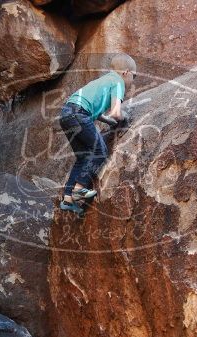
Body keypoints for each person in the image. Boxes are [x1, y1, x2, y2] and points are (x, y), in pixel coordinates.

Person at [58, 53, 137, 216]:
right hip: (79, 114)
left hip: (66, 114)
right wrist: (124, 117)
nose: (132, 82)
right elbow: (116, 112)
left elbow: (95, 109)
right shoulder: (118, 82)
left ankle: (67, 199)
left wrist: (108, 121)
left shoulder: (102, 81)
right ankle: (79, 191)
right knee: (100, 151)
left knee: (83, 157)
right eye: (133, 77)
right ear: (126, 72)